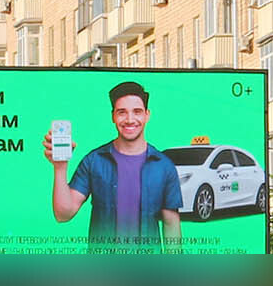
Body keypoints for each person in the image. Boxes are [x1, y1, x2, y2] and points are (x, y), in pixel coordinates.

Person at [48, 79, 184, 247]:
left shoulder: (164, 166)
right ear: (113, 116)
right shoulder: (94, 161)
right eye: (122, 112)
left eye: (137, 111)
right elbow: (63, 214)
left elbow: (171, 225)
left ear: (147, 115)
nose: (130, 119)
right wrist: (60, 167)